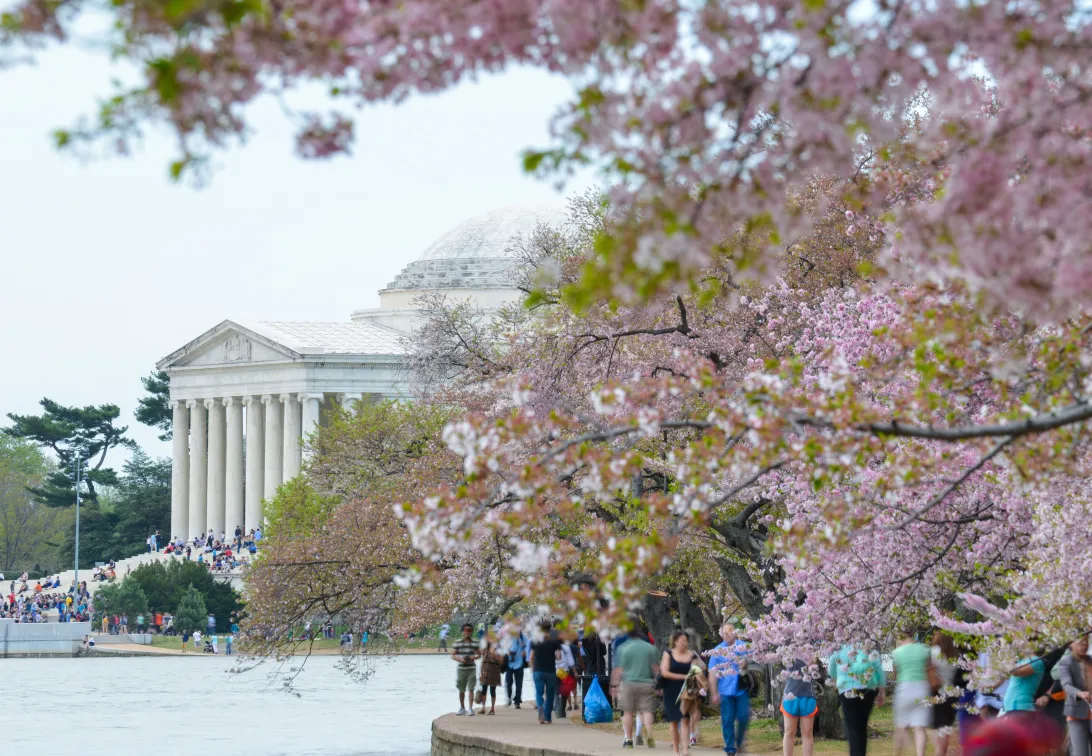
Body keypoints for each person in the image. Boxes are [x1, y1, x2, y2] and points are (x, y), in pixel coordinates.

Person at [828, 644, 887, 756]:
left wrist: (836, 679)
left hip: (847, 689)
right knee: (861, 726)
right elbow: (878, 669)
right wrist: (882, 692)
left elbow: (832, 667)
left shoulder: (840, 646)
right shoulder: (867, 644)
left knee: (853, 727)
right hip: (868, 689)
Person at [611, 623, 659, 748]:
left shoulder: (623, 648)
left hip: (627, 683)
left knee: (627, 712)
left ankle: (629, 740)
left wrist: (614, 685)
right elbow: (655, 668)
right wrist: (659, 683)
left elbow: (618, 669)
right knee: (647, 711)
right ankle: (649, 735)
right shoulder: (649, 647)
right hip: (646, 683)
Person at [661, 630, 705, 756]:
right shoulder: (668, 654)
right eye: (681, 641)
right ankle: (676, 750)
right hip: (671, 691)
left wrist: (702, 683)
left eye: (685, 641)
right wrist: (682, 676)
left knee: (685, 720)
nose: (684, 643)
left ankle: (685, 749)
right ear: (675, 642)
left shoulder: (692, 655)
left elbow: (697, 671)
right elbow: (664, 672)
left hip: (687, 691)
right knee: (674, 721)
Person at [710, 623, 751, 756]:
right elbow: (712, 673)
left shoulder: (743, 646)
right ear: (721, 634)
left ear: (735, 632)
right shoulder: (717, 651)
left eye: (731, 631)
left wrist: (746, 663)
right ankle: (730, 748)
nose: (728, 634)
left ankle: (739, 742)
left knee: (743, 717)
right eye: (725, 632)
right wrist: (714, 692)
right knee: (727, 720)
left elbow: (756, 660)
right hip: (725, 691)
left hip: (741, 689)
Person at [892, 635, 932, 756]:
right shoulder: (925, 649)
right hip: (922, 688)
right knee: (919, 728)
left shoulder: (896, 652)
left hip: (904, 688)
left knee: (901, 726)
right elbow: (929, 669)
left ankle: (897, 754)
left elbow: (895, 674)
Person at [1054, 635, 1091, 756]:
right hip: (1076, 714)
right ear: (1071, 644)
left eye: (1086, 641)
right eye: (1080, 641)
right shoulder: (1065, 662)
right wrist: (1079, 693)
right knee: (1080, 753)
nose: (1084, 644)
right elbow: (1066, 684)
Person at [930, 632, 961, 756]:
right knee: (946, 727)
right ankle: (943, 751)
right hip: (952, 694)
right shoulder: (955, 654)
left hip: (938, 692)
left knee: (938, 727)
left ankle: (939, 752)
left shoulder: (933, 652)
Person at [781, 658, 818, 756]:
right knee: (789, 731)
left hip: (808, 695)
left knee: (807, 732)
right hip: (790, 694)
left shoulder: (812, 645)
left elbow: (815, 667)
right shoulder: (787, 646)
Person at [530, 620, 563, 725]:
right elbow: (559, 657)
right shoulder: (555, 641)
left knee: (539, 693)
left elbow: (531, 657)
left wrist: (533, 668)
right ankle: (548, 718)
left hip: (538, 670)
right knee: (550, 695)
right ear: (550, 629)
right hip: (550, 671)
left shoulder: (535, 640)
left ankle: (541, 712)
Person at [1003, 651, 1046, 715]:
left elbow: (1015, 672)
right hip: (1012, 708)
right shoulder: (1020, 660)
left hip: (1020, 707)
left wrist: (1004, 646)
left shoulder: (1036, 661)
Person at [453, 623, 480, 716]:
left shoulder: (475, 642)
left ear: (472, 632)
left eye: (469, 630)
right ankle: (462, 707)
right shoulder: (458, 642)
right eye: (466, 630)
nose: (467, 632)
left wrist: (474, 657)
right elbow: (453, 655)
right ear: (463, 631)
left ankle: (470, 708)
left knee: (471, 689)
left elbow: (479, 654)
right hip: (461, 668)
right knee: (461, 689)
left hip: (471, 668)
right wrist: (460, 659)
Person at [478, 636, 503, 715]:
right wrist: (481, 673)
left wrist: (494, 655)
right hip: (486, 672)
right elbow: (482, 663)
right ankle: (483, 708)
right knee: (484, 690)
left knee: (493, 690)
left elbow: (501, 662)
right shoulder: (485, 651)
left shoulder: (498, 650)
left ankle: (492, 708)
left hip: (494, 672)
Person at [505, 630, 528, 709]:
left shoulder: (523, 637)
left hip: (519, 663)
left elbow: (528, 646)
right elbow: (501, 647)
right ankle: (509, 698)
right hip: (509, 664)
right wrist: (506, 651)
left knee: (519, 684)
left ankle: (517, 701)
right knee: (508, 682)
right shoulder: (507, 637)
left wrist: (525, 650)